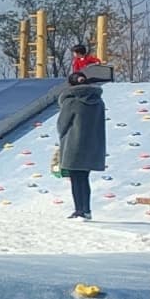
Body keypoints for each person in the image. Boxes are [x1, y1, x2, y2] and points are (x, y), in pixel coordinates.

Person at [56, 71, 107, 220]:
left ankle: (79, 210)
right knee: (84, 178)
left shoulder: (71, 101)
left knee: (75, 178)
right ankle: (87, 210)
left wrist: (62, 136)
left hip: (74, 144)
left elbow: (62, 124)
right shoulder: (98, 101)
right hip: (92, 144)